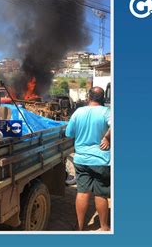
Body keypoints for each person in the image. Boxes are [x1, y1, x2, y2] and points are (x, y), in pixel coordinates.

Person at [66, 86, 111, 231]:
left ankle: (79, 227)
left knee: (82, 192)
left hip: (81, 159)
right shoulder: (106, 112)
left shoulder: (78, 112)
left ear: (89, 97)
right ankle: (104, 227)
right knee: (101, 193)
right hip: (101, 160)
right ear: (103, 98)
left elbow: (69, 133)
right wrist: (107, 137)